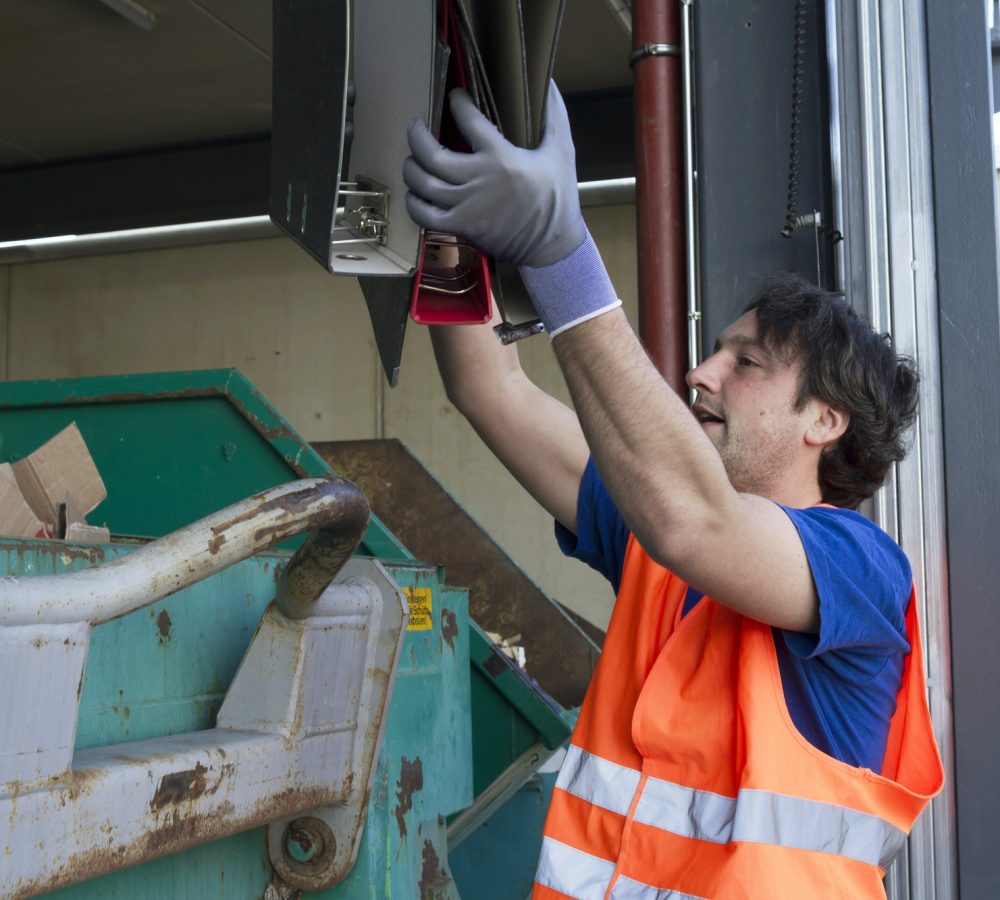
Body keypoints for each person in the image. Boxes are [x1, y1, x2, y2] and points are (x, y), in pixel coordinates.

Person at [403, 83, 944, 898]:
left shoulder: (860, 570)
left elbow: (696, 523)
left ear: (825, 421)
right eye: (715, 351)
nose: (701, 372)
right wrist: (453, 257)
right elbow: (494, 393)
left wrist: (559, 251)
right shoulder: (659, 545)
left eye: (746, 362)